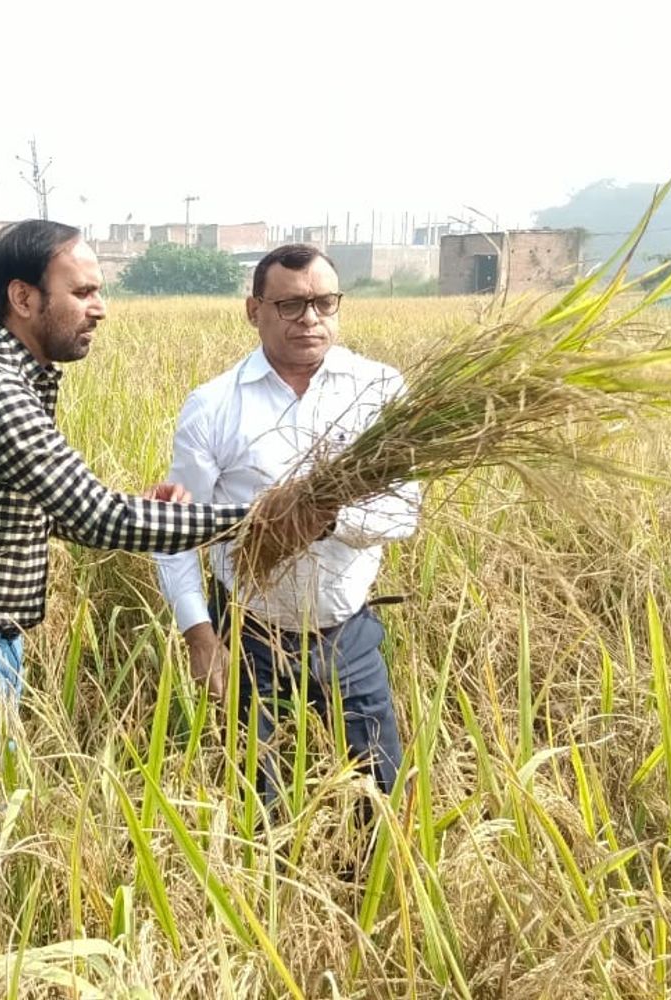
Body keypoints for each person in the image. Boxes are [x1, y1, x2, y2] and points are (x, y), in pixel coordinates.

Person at [0, 219, 246, 734]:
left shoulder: (7, 371)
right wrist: (258, 518)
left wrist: (154, 513)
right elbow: (93, 517)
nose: (100, 308)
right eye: (83, 291)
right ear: (23, 298)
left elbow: (40, 508)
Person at [155, 244, 418, 802]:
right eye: (291, 306)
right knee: (258, 801)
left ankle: (375, 884)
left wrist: (323, 519)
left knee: (382, 797)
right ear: (254, 311)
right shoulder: (214, 405)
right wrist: (200, 636)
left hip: (348, 632)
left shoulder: (378, 392)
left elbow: (403, 511)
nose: (311, 320)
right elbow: (177, 531)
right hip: (249, 635)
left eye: (324, 303)